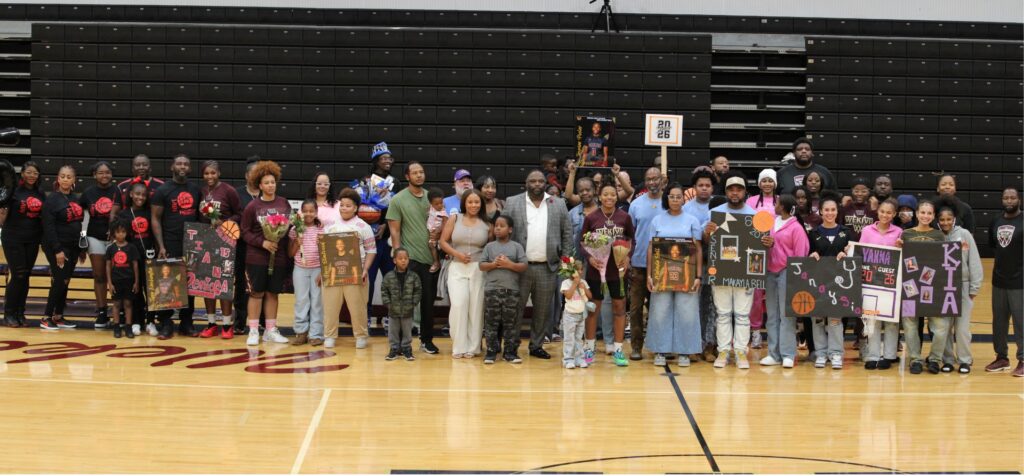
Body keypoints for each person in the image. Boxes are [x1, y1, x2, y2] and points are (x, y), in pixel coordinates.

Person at [505, 169, 574, 360]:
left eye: (540, 181)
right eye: (532, 181)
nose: (537, 184)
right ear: (526, 183)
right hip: (519, 268)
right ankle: (511, 346)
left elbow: (567, 234)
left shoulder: (558, 204)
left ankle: (536, 345)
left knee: (543, 311)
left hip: (547, 266)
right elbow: (502, 231)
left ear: (546, 183)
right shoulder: (513, 202)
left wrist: (566, 262)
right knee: (515, 309)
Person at [646, 183, 703, 367]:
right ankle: (661, 350)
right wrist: (650, 274)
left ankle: (685, 352)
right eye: (672, 196)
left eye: (679, 197)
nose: (675, 200)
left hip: (686, 275)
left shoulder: (692, 220)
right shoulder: (657, 220)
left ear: (683, 199)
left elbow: (698, 250)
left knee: (687, 313)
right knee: (659, 311)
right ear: (667, 198)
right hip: (661, 275)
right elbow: (650, 248)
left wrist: (698, 276)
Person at [386, 162, 440, 354]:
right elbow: (395, 230)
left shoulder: (431, 198)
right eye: (414, 173)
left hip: (429, 259)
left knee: (427, 303)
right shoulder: (398, 200)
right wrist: (399, 256)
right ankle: (399, 343)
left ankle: (426, 340)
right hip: (408, 259)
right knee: (403, 303)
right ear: (407, 176)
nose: (419, 175)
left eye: (421, 172)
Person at [704, 174, 756, 368]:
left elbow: (760, 245)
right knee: (723, 313)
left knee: (742, 315)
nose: (735, 192)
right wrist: (707, 232)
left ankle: (741, 352)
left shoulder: (754, 214)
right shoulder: (715, 213)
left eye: (739, 189)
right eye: (731, 189)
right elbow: (707, 241)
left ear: (744, 192)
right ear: (725, 192)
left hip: (745, 272)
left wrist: (768, 242)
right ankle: (723, 351)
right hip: (722, 269)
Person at [581, 179, 635, 367]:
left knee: (619, 308)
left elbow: (632, 240)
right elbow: (582, 243)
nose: (609, 197)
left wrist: (628, 257)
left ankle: (618, 349)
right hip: (596, 271)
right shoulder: (591, 218)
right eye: (606, 194)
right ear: (600, 196)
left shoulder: (624, 217)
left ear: (617, 196)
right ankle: (589, 348)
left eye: (613, 194)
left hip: (617, 271)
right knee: (593, 309)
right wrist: (589, 258)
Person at [240, 160, 292, 346]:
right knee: (256, 293)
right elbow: (244, 231)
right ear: (259, 185)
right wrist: (263, 242)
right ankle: (253, 330)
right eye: (267, 183)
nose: (271, 185)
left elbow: (288, 229)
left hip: (277, 257)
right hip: (256, 257)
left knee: (273, 293)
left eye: (273, 182)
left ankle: (270, 330)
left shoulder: (284, 203)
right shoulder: (252, 207)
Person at [150, 154, 202, 339]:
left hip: (191, 243)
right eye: (179, 163)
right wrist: (161, 245)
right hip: (169, 242)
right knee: (167, 283)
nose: (182, 166)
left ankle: (187, 323)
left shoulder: (196, 190)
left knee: (189, 284)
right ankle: (165, 323)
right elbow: (155, 218)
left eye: (186, 164)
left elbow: (201, 216)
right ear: (172, 167)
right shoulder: (162, 190)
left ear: (189, 168)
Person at [439, 189, 492, 359]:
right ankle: (458, 346)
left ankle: (474, 347)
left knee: (476, 307)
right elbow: (442, 241)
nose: (474, 205)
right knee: (459, 305)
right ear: (464, 203)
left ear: (481, 204)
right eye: (470, 202)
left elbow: (490, 248)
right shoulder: (455, 218)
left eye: (477, 202)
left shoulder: (487, 224)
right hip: (457, 267)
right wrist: (457, 254)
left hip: (478, 269)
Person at [322, 188, 376, 349]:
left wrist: (365, 269)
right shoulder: (330, 225)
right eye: (342, 205)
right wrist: (323, 270)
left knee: (357, 305)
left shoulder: (363, 226)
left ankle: (360, 335)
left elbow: (371, 250)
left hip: (355, 272)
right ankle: (330, 335)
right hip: (333, 273)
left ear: (355, 208)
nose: (344, 208)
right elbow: (324, 249)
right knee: (330, 305)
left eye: (348, 206)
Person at [898, 200, 948, 374]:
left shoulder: (939, 236)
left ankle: (935, 359)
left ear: (933, 216)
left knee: (940, 327)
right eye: (923, 212)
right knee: (910, 325)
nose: (925, 216)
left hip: (933, 287)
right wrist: (898, 249)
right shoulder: (906, 234)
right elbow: (900, 260)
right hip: (910, 286)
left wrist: (959, 250)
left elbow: (944, 261)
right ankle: (915, 359)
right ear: (917, 214)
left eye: (929, 213)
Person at [761, 194, 810, 369]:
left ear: (783, 207)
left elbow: (801, 252)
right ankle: (773, 354)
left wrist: (797, 276)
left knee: (786, 315)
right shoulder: (772, 223)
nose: (775, 205)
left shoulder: (796, 227)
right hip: (770, 271)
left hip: (787, 272)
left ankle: (789, 353)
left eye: (777, 203)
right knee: (772, 316)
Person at [567, 176, 614, 351]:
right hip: (580, 264)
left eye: (588, 189)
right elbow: (570, 240)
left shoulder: (605, 213)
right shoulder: (572, 213)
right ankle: (582, 338)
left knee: (604, 301)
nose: (585, 193)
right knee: (581, 300)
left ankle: (607, 338)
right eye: (581, 190)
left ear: (595, 190)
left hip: (602, 265)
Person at [197, 160, 242, 338]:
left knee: (223, 282)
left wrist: (224, 223)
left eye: (213, 173)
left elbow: (239, 213)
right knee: (207, 284)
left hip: (225, 241)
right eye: (206, 173)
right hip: (205, 241)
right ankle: (211, 323)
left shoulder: (229, 191)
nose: (210, 176)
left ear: (219, 173)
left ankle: (226, 325)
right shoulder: (201, 191)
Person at [937, 202, 982, 373]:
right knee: (945, 327)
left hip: (962, 285)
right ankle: (947, 359)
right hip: (942, 286)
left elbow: (974, 261)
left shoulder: (964, 234)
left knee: (962, 328)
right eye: (942, 219)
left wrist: (974, 288)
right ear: (938, 220)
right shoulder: (936, 236)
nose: (946, 222)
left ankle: (965, 360)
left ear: (954, 219)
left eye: (949, 219)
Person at [858, 199, 903, 370]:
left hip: (891, 283)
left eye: (889, 212)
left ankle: (890, 355)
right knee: (872, 319)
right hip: (871, 282)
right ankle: (873, 354)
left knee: (891, 320)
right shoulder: (867, 230)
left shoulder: (899, 232)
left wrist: (902, 247)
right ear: (878, 212)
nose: (885, 215)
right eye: (882, 211)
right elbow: (860, 252)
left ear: (894, 214)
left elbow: (902, 257)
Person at [808, 195, 852, 369]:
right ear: (820, 212)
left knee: (835, 319)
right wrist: (812, 255)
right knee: (817, 318)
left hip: (838, 283)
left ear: (837, 211)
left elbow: (854, 256)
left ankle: (836, 354)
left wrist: (848, 253)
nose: (830, 213)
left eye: (833, 209)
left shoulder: (846, 232)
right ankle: (820, 353)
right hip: (818, 282)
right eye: (826, 210)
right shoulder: (814, 232)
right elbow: (807, 255)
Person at [627, 167, 666, 360]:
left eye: (655, 178)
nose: (652, 182)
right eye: (648, 179)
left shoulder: (669, 203)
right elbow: (629, 235)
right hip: (638, 264)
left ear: (662, 180)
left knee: (658, 310)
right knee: (635, 309)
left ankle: (658, 346)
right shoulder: (635, 205)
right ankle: (636, 347)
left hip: (662, 265)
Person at [40, 164, 85, 330]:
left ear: (74, 180)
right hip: (57, 246)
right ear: (58, 179)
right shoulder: (51, 200)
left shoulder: (75, 198)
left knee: (65, 281)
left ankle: (58, 316)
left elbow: (78, 223)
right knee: (59, 280)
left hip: (73, 246)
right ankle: (46, 317)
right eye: (63, 176)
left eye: (69, 176)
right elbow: (49, 227)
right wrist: (57, 249)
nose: (65, 179)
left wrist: (81, 248)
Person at [480, 215, 528, 364]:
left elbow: (523, 266)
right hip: (492, 290)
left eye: (502, 226)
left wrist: (509, 264)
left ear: (510, 229)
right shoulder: (489, 247)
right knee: (491, 323)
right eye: (496, 226)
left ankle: (510, 352)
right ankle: (491, 352)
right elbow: (481, 265)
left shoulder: (516, 246)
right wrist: (493, 264)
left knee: (510, 323)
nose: (498, 228)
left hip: (511, 291)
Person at [0, 161, 43, 328]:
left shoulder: (40, 193)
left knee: (25, 276)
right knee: (18, 274)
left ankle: (20, 312)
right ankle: (9, 313)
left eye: (35, 173)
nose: (32, 176)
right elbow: (3, 218)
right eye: (29, 172)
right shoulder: (13, 192)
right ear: (22, 174)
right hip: (13, 237)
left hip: (32, 238)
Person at [986, 187, 1022, 377]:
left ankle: (1023, 359)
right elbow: (995, 247)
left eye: (1012, 197)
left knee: (1020, 322)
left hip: (1020, 282)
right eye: (1006, 198)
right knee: (999, 321)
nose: (1009, 200)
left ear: (1019, 200)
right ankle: (1002, 357)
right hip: (998, 280)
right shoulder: (996, 221)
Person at [360, 142, 397, 329]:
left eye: (389, 158)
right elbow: (361, 207)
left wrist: (385, 225)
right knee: (369, 279)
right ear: (376, 161)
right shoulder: (365, 181)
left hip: (389, 238)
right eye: (383, 158)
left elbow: (397, 208)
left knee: (391, 279)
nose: (387, 161)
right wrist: (371, 224)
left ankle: (393, 315)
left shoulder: (395, 181)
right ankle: (365, 315)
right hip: (370, 239)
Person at [683, 167, 718, 361]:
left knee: (711, 304)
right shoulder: (686, 208)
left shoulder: (719, 207)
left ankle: (709, 345)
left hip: (715, 261)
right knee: (692, 304)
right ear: (694, 188)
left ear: (713, 188)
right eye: (700, 185)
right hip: (692, 261)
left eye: (707, 185)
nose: (704, 189)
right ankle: (693, 345)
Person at [79, 161, 120, 328]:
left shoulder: (117, 191)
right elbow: (81, 219)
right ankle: (102, 312)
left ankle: (120, 311)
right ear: (94, 175)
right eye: (101, 173)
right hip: (94, 238)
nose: (104, 175)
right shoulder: (88, 193)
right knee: (99, 276)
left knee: (119, 276)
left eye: (107, 172)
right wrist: (81, 242)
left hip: (116, 239)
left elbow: (123, 214)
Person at [116, 181, 156, 336]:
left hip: (149, 257)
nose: (141, 197)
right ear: (131, 194)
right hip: (132, 260)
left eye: (144, 195)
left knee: (151, 291)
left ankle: (151, 322)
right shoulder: (124, 214)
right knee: (136, 292)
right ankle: (137, 322)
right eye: (138, 194)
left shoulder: (150, 212)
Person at [746, 168, 778, 349]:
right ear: (759, 183)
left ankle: (774, 332)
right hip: (755, 252)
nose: (767, 184)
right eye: (764, 180)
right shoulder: (750, 202)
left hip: (775, 251)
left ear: (775, 183)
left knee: (773, 293)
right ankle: (756, 331)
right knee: (756, 295)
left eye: (770, 180)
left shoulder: (781, 202)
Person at [232, 156, 263, 334]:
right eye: (252, 173)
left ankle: (263, 321)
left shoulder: (267, 192)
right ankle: (239, 321)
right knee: (242, 283)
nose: (255, 176)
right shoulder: (236, 194)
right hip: (242, 246)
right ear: (246, 176)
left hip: (261, 247)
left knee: (260, 285)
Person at [288, 199, 324, 346]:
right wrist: (296, 243)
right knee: (301, 300)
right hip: (300, 268)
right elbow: (290, 254)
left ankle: (316, 334)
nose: (308, 214)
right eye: (305, 211)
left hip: (317, 269)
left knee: (317, 302)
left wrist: (323, 271)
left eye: (312, 211)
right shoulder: (295, 229)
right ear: (300, 212)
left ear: (316, 213)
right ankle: (301, 332)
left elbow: (325, 253)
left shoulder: (322, 229)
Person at [381, 248, 420, 361]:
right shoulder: (388, 276)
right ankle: (394, 349)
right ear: (394, 260)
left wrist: (414, 302)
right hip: (393, 310)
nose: (403, 261)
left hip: (408, 310)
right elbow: (384, 290)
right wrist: (388, 303)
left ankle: (407, 349)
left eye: (406, 258)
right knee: (393, 331)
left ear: (409, 260)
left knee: (407, 331)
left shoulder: (413, 276)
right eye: (400, 258)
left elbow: (418, 290)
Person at [105, 219, 139, 338]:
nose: (121, 234)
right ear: (114, 233)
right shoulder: (110, 248)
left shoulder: (132, 247)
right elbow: (108, 266)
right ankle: (116, 327)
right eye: (118, 232)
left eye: (123, 232)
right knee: (116, 304)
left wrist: (136, 282)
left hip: (129, 280)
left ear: (127, 233)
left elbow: (135, 265)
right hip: (116, 281)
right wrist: (109, 283)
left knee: (128, 304)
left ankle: (128, 327)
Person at [560, 259, 592, 368]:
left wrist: (584, 288)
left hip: (581, 315)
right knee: (569, 338)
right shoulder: (566, 283)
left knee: (579, 338)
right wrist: (575, 283)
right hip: (569, 315)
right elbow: (568, 295)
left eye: (581, 270)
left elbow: (590, 296)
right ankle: (568, 359)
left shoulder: (584, 282)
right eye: (578, 270)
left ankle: (579, 358)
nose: (580, 272)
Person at [841, 177, 878, 241]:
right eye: (856, 191)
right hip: (847, 245)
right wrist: (842, 208)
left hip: (867, 245)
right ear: (852, 191)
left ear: (869, 191)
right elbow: (839, 226)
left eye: (863, 191)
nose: (860, 194)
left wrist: (875, 211)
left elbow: (878, 228)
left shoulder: (873, 206)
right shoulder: (846, 205)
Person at [426, 187, 448, 274]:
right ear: (431, 203)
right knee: (432, 246)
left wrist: (438, 231)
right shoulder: (431, 208)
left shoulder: (443, 212)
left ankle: (436, 262)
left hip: (438, 232)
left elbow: (445, 223)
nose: (439, 205)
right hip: (431, 230)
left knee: (433, 245)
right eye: (437, 204)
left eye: (441, 203)